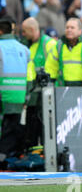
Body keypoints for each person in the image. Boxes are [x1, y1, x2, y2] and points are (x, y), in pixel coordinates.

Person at [21, 17, 57, 150]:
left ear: (32, 29)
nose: (22, 34)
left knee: (46, 128)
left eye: (24, 31)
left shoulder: (48, 43)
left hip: (47, 95)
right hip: (34, 95)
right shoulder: (29, 44)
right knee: (32, 128)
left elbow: (54, 69)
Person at [0, 17, 30, 166]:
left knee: (4, 129)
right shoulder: (24, 49)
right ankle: (10, 156)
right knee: (14, 127)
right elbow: (30, 75)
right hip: (19, 95)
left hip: (3, 96)